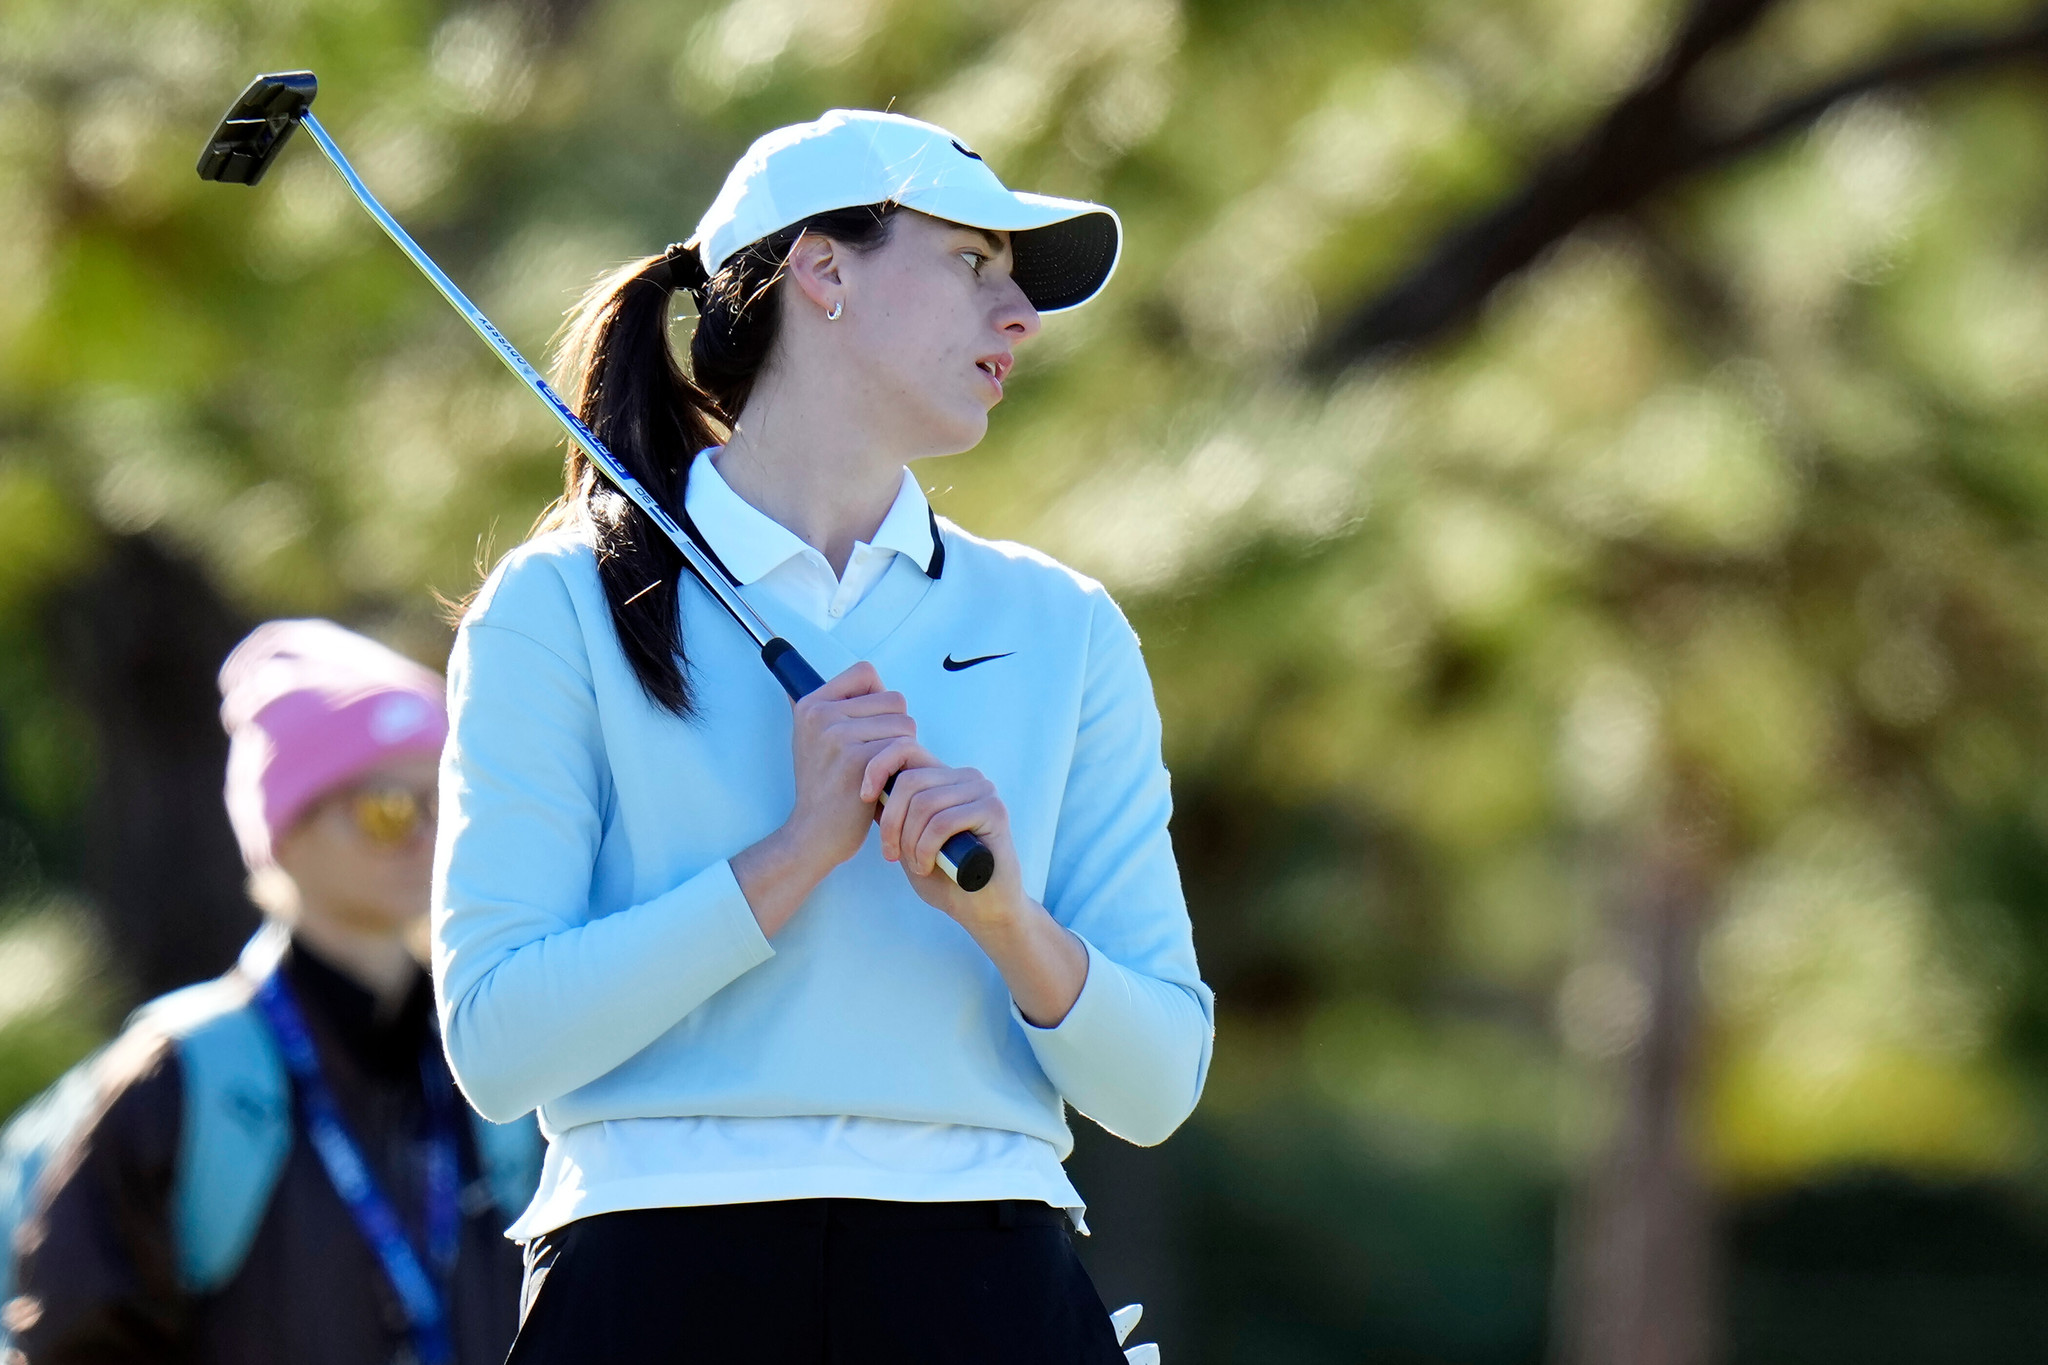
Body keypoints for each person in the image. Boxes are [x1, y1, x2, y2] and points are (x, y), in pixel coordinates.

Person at [434, 108, 1212, 1363]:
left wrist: (1009, 922)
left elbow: (1156, 1083)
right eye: (972, 263)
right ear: (822, 270)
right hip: (654, 1273)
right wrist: (792, 854)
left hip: (984, 1273)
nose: (1018, 316)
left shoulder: (1060, 624)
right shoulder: (560, 605)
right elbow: (499, 1043)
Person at [5, 620, 535, 1365]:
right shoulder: (176, 1076)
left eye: (447, 798)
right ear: (284, 830)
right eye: (387, 806)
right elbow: (75, 1339)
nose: (427, 833)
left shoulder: (500, 1046)